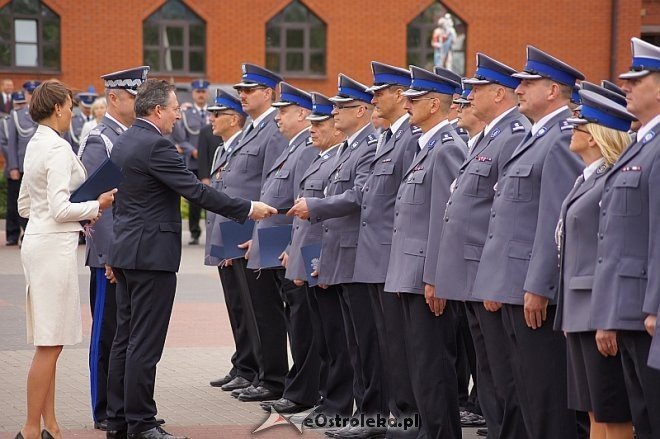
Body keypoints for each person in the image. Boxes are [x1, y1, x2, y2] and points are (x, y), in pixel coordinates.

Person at [104, 79, 276, 439]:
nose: (178, 116)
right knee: (143, 343)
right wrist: (248, 208)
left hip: (126, 253)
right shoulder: (156, 145)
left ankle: (120, 419)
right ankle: (142, 423)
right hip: (151, 257)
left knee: (125, 339)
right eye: (174, 109)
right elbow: (196, 191)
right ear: (157, 111)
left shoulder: (125, 140)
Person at [471, 46, 585, 439]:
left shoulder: (560, 139)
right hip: (511, 284)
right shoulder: (534, 138)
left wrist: (539, 284)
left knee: (544, 397)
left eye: (529, 82)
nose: (518, 87)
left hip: (531, 291)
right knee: (518, 391)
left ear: (553, 90)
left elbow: (556, 221)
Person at [433, 53, 531, 439]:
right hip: (473, 270)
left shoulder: (513, 135)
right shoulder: (490, 135)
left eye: (477, 90)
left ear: (500, 95)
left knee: (501, 374)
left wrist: (494, 275)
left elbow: (505, 213)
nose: (468, 97)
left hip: (488, 271)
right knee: (488, 371)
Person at [14, 79, 116, 439]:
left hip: (39, 242)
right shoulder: (55, 148)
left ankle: (51, 425)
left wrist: (57, 214)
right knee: (49, 344)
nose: (73, 111)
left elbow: (25, 205)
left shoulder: (35, 143)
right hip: (53, 246)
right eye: (70, 104)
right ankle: (30, 428)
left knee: (49, 339)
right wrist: (96, 205)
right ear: (58, 108)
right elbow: (60, 209)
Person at [289, 74, 381, 439]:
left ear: (361, 111)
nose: (334, 112)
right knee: (349, 343)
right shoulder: (347, 148)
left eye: (341, 107)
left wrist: (316, 205)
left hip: (357, 257)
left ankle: (366, 414)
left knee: (361, 344)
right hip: (337, 256)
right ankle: (349, 408)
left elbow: (359, 197)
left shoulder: (368, 147)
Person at [385, 65, 466, 439]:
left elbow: (444, 220)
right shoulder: (426, 145)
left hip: (425, 279)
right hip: (410, 274)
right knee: (418, 363)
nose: (407, 104)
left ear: (435, 104)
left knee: (433, 366)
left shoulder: (447, 148)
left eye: (415, 99)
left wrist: (434, 277)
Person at [555, 89, 636, 439]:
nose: (572, 131)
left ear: (596, 134)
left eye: (579, 126)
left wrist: (608, 315)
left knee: (610, 411)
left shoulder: (609, 180)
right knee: (592, 411)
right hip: (579, 308)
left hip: (596, 309)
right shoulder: (587, 178)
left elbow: (613, 249)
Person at [591, 37, 660, 439]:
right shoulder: (641, 145)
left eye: (638, 79)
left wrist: (653, 307)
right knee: (642, 416)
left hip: (645, 311)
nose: (626, 86)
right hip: (628, 307)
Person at [77, 66, 150, 432]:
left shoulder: (131, 136)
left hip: (130, 253)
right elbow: (96, 205)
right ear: (115, 98)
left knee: (129, 334)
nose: (138, 104)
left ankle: (125, 404)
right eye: (134, 97)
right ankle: (104, 408)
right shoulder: (100, 139)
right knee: (107, 335)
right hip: (111, 257)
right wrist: (108, 256)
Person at [358, 61, 421, 437]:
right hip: (378, 256)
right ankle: (395, 418)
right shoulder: (389, 137)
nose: (374, 99)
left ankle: (408, 418)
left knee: (402, 345)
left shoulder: (411, 138)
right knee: (385, 345)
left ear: (400, 95)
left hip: (393, 257)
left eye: (379, 93)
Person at [250, 82, 320, 414]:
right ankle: (299, 387)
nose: (278, 117)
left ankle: (304, 391)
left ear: (302, 114)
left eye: (284, 111)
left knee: (303, 324)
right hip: (280, 247)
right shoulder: (292, 147)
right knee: (296, 320)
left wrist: (293, 246)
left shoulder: (305, 149)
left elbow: (300, 207)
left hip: (296, 251)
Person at [284, 92, 354, 419]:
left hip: (326, 257)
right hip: (312, 257)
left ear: (337, 128)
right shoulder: (321, 157)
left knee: (335, 339)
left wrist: (315, 261)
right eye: (310, 122)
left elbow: (331, 215)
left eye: (320, 123)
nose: (312, 129)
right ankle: (328, 401)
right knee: (323, 338)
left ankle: (337, 404)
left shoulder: (339, 157)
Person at [224, 64, 289, 403]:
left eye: (249, 90)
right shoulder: (253, 128)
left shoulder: (273, 132)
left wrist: (263, 233)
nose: (243, 96)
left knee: (266, 310)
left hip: (260, 231)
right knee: (251, 309)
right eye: (241, 91)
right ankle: (261, 373)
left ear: (269, 93)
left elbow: (273, 189)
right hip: (242, 232)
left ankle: (274, 377)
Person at [203, 90, 253, 390]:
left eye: (217, 114)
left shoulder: (239, 146)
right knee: (234, 304)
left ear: (233, 119)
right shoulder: (223, 149)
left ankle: (250, 366)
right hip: (223, 234)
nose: (211, 119)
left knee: (247, 306)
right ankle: (242, 362)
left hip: (238, 233)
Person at [172, 79, 210, 245]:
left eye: (203, 92)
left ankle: (212, 230)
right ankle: (195, 232)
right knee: (195, 199)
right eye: (197, 92)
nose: (200, 95)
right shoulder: (186, 114)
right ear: (193, 94)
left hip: (212, 162)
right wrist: (192, 151)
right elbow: (182, 139)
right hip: (194, 162)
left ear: (207, 94)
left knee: (214, 196)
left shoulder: (214, 112)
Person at [6, 81, 40, 246]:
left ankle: (36, 232)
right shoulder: (16, 115)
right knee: (23, 201)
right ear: (25, 95)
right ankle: (25, 232)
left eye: (35, 93)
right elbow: (11, 143)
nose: (32, 96)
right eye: (30, 93)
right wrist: (13, 166)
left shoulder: (45, 113)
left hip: (41, 166)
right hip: (22, 166)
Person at [66, 89, 98, 154]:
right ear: (80, 104)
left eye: (90, 107)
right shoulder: (73, 120)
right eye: (86, 107)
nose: (88, 110)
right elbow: (68, 140)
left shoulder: (98, 120)